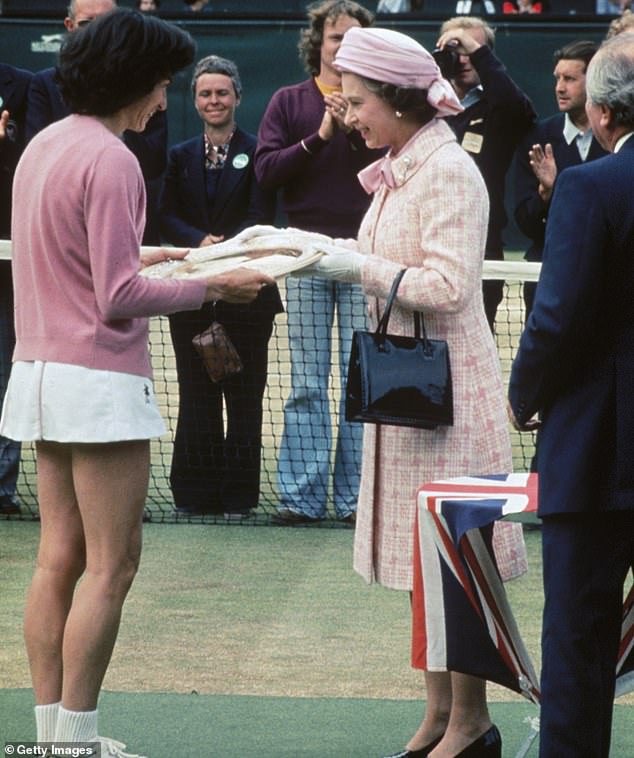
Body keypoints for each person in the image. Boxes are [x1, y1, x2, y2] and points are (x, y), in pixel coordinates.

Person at [0, 9, 273, 757]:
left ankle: (51, 742)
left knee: (58, 557)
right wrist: (219, 288)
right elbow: (117, 295)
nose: (165, 99)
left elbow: (82, 259)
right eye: (160, 84)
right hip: (98, 383)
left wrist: (159, 256)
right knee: (112, 566)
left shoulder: (44, 146)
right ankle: (76, 742)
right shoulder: (115, 159)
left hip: (39, 374)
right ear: (132, 80)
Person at [290, 25, 516, 758]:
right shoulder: (401, 166)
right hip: (415, 396)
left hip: (450, 401)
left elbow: (449, 287)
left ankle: (473, 723)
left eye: (357, 102)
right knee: (430, 567)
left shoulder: (447, 170)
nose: (349, 115)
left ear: (395, 99)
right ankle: (440, 717)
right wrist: (322, 252)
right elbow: (392, 260)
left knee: (459, 566)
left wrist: (349, 268)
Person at [508, 31, 634, 758]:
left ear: (602, 116)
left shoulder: (589, 186)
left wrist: (523, 394)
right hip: (599, 448)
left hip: (597, 456)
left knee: (579, 640)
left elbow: (556, 318)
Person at [255, 0, 383, 525]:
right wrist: (320, 137)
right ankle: (301, 499)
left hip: (362, 256)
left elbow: (387, 167)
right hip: (304, 254)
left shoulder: (377, 104)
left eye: (353, 38)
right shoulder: (289, 102)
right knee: (308, 382)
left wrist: (352, 130)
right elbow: (267, 173)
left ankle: (357, 501)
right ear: (319, 43)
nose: (342, 47)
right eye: (335, 38)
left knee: (360, 382)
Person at [159, 55, 283, 519]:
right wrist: (199, 243)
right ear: (195, 100)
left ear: (237, 97)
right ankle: (195, 495)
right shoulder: (179, 156)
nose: (214, 100)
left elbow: (260, 214)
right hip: (192, 295)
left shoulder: (259, 153)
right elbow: (165, 214)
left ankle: (238, 498)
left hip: (249, 297)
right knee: (196, 394)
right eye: (205, 93)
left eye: (222, 93)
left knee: (246, 397)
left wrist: (229, 247)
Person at [25, 0, 168, 245]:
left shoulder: (145, 85)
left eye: (105, 23)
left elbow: (154, 163)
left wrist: (118, 109)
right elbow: (41, 167)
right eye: (86, 24)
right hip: (67, 236)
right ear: (69, 27)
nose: (97, 33)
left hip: (131, 232)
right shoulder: (44, 86)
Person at [435, 16, 535, 332]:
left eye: (471, 49)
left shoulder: (500, 107)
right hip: (428, 234)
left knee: (477, 336)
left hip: (480, 238)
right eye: (455, 49)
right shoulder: (425, 104)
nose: (463, 58)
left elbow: (520, 110)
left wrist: (477, 52)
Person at [514, 40, 607, 318]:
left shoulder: (618, 137)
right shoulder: (537, 137)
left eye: (569, 79)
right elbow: (525, 222)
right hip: (549, 274)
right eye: (557, 78)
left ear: (593, 82)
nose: (559, 87)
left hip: (606, 273)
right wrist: (545, 194)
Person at [0, 62, 32, 516]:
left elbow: (28, 164)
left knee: (7, 377)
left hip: (7, 261)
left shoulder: (24, 87)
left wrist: (4, 146)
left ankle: (2, 487)